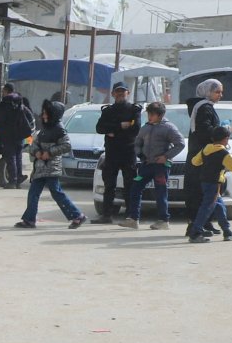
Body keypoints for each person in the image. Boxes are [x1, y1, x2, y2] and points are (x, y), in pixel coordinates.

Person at [16, 99, 86, 229]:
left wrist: (50, 152)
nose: (43, 116)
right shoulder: (44, 129)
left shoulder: (59, 129)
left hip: (51, 168)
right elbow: (34, 143)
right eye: (43, 113)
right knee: (33, 193)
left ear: (53, 114)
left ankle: (77, 216)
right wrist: (36, 151)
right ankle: (29, 220)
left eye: (46, 113)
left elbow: (66, 145)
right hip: (40, 168)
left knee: (57, 193)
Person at [124, 101, 184, 230]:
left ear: (160, 115)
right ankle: (133, 219)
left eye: (152, 114)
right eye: (148, 114)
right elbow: (137, 142)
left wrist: (165, 157)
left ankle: (163, 220)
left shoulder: (169, 128)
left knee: (160, 192)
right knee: (135, 187)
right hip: (146, 165)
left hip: (161, 167)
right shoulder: (145, 127)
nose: (149, 117)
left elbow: (180, 144)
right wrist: (140, 154)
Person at [187, 125, 232, 243]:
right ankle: (195, 233)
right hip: (215, 184)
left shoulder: (206, 149)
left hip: (204, 182)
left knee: (219, 206)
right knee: (207, 207)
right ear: (226, 139)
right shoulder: (224, 154)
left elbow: (195, 162)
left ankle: (227, 231)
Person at [92, 82, 142, 224]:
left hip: (128, 152)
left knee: (130, 185)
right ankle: (106, 215)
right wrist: (120, 126)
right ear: (113, 94)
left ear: (128, 93)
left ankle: (130, 215)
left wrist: (113, 131)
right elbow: (100, 128)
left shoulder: (134, 110)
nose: (120, 94)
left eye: (123, 92)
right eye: (117, 92)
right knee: (109, 185)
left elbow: (135, 129)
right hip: (112, 152)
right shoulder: (108, 111)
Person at [185, 79, 224, 223]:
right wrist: (222, 132)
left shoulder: (204, 106)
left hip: (202, 155)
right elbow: (205, 130)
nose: (220, 95)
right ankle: (197, 226)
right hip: (202, 156)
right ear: (207, 92)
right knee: (201, 192)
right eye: (217, 92)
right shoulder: (204, 107)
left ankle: (205, 224)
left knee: (205, 193)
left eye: (221, 92)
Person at [0, 84, 35, 187]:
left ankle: (12, 181)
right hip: (20, 136)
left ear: (6, 91)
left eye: (3, 91)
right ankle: (18, 179)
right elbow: (30, 118)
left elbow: (0, 121)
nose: (2, 93)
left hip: (8, 136)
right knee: (18, 157)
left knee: (10, 157)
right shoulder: (21, 105)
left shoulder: (4, 105)